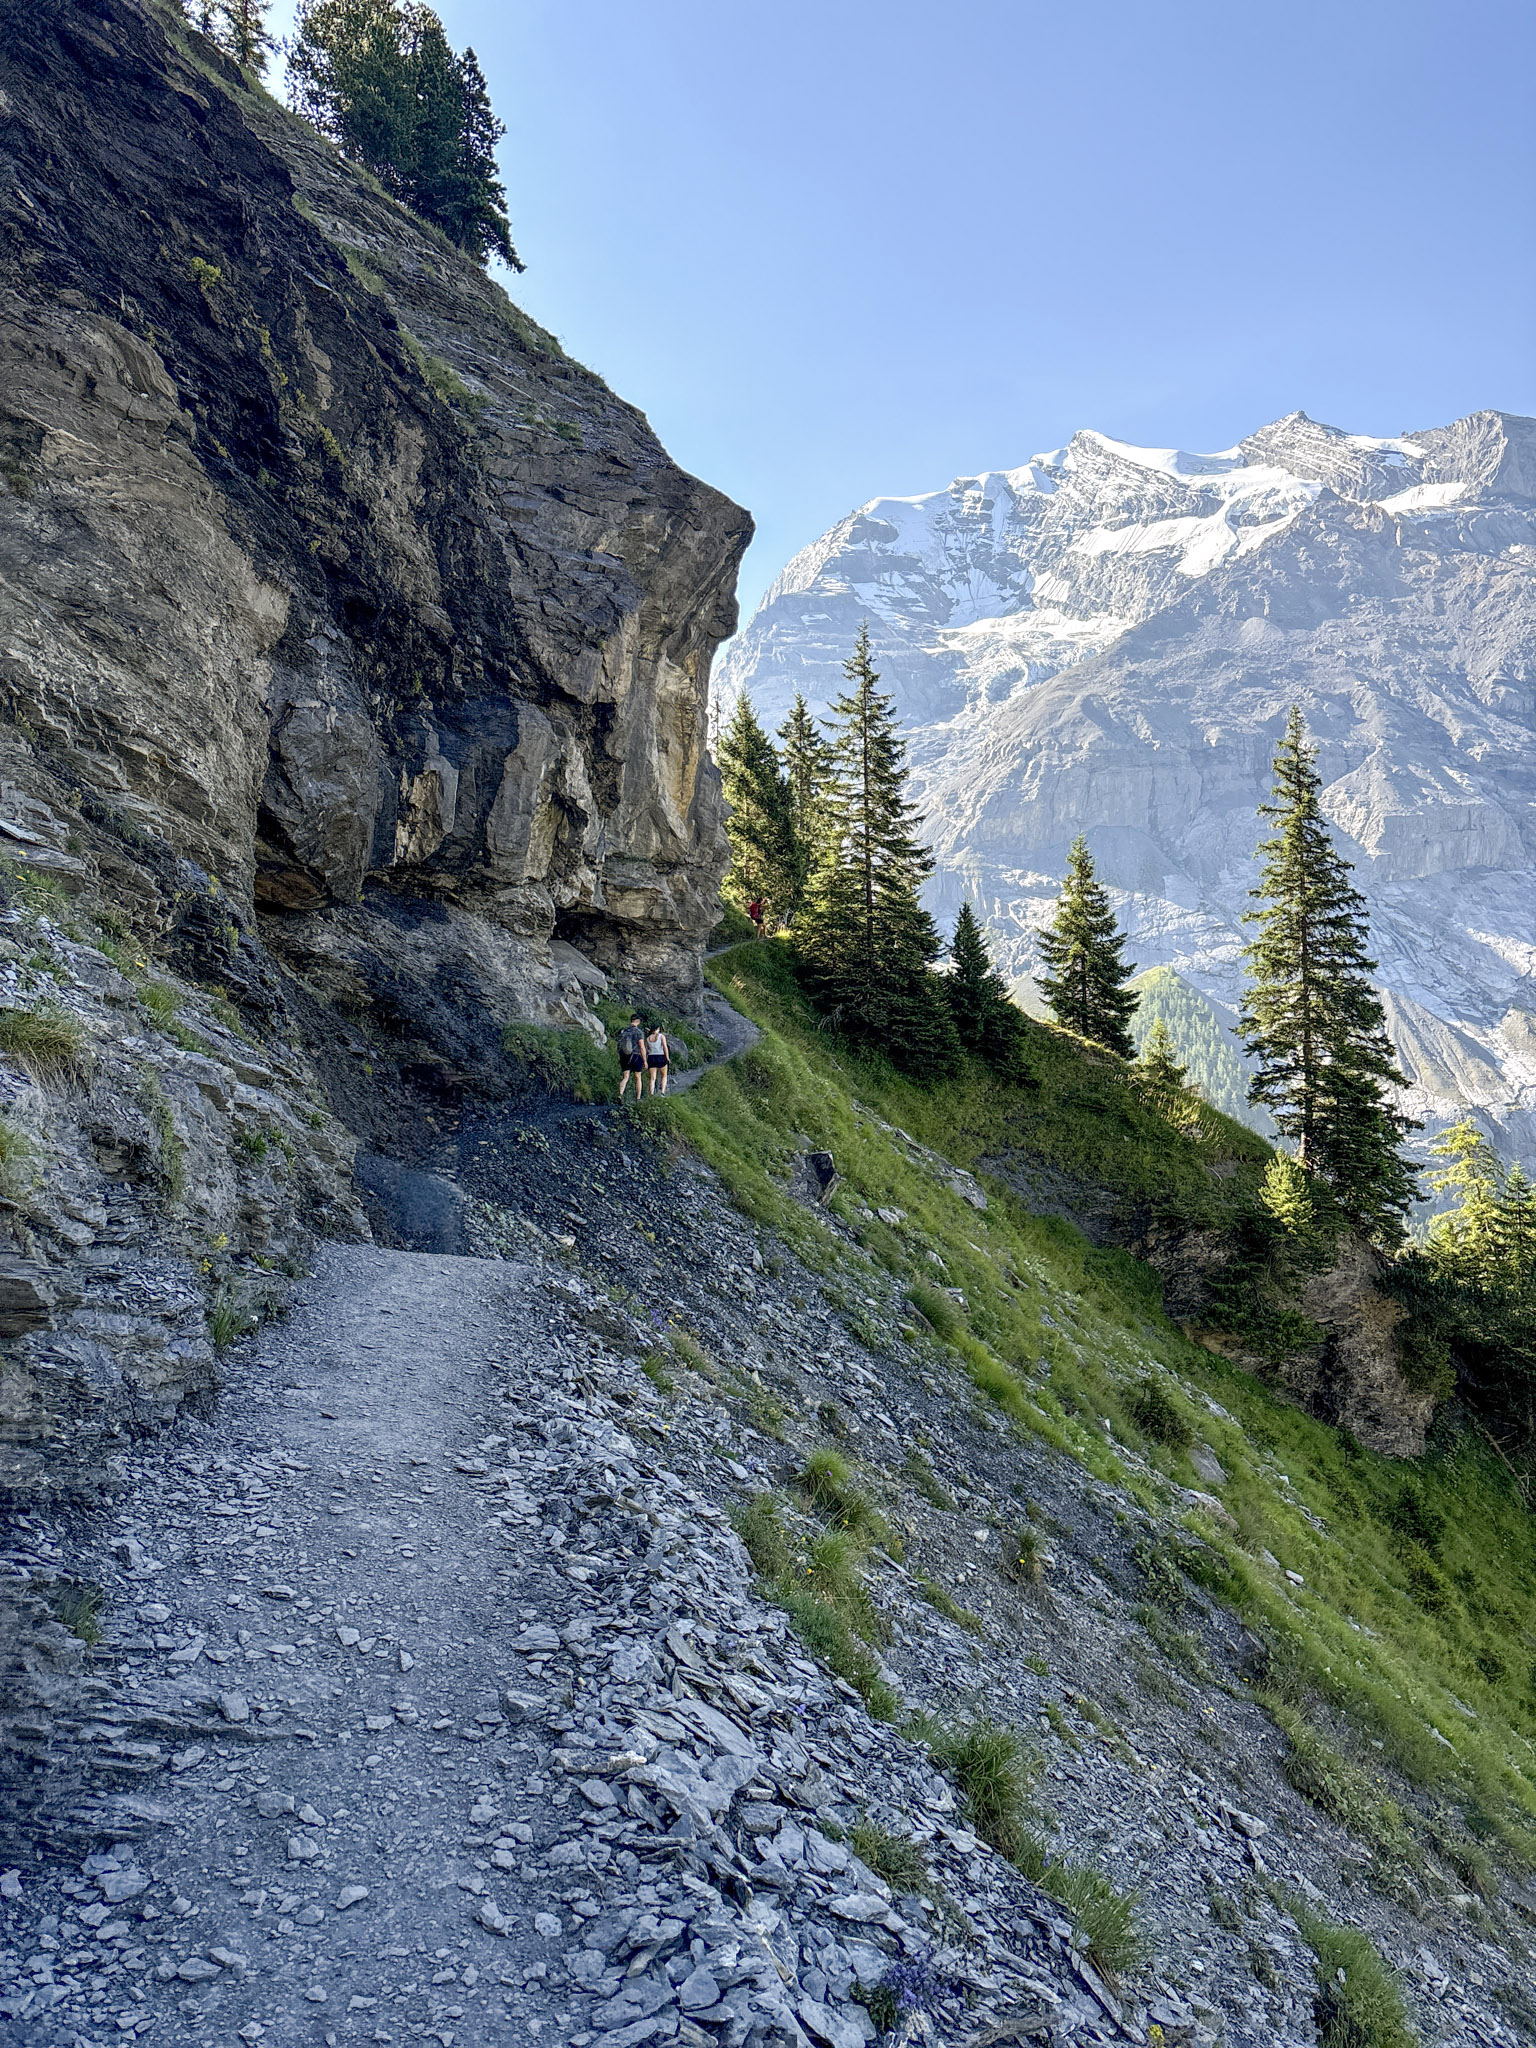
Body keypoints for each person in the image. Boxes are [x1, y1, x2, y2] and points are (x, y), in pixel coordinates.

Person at [617, 1013, 647, 1101]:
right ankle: (638, 1098)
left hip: (625, 1055)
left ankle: (620, 1094)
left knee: (625, 1077)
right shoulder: (639, 1032)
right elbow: (642, 1047)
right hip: (636, 1056)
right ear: (638, 1021)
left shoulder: (624, 1031)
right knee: (638, 1077)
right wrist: (645, 1060)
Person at [645, 1022, 670, 1095]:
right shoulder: (661, 1036)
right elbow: (665, 1047)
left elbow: (646, 1050)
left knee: (652, 1078)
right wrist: (667, 1057)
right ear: (657, 1029)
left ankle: (651, 1093)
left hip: (651, 1057)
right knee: (664, 1075)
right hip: (661, 1056)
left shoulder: (648, 1038)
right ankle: (662, 1092)